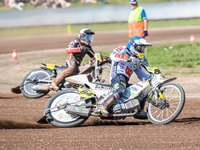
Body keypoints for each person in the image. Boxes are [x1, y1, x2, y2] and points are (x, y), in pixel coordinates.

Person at [94, 36, 152, 119]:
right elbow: (113, 56)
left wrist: (152, 78)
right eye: (140, 47)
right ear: (133, 46)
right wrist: (128, 58)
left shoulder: (136, 60)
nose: (142, 50)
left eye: (143, 48)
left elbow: (141, 74)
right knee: (121, 89)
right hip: (117, 76)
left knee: (142, 88)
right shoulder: (123, 49)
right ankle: (103, 106)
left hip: (124, 79)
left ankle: (138, 111)